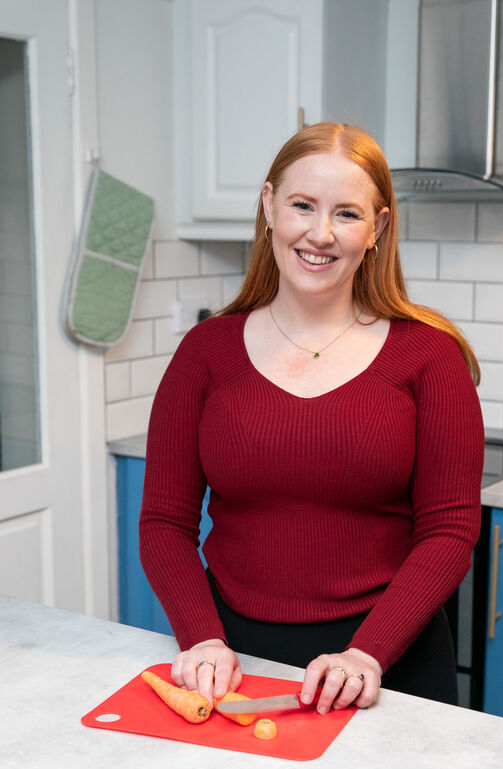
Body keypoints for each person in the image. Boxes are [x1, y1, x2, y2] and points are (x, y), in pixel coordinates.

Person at [139, 122, 484, 716]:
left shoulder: (429, 356)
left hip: (386, 667)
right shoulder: (205, 352)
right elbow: (164, 521)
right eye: (303, 205)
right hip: (235, 663)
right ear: (269, 204)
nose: (320, 234)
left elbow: (450, 530)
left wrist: (366, 654)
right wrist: (200, 635)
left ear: (376, 229)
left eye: (347, 214)